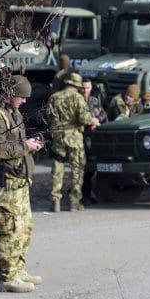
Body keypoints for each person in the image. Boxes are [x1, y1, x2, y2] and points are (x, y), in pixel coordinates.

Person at [0, 74, 45, 293]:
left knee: (24, 229)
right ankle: (7, 277)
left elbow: (15, 143)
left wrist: (29, 145)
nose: (24, 101)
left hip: (19, 180)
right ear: (8, 94)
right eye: (21, 97)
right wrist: (25, 146)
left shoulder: (12, 112)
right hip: (7, 182)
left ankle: (18, 270)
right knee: (10, 230)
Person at [47, 72, 100, 212]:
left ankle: (55, 201)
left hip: (59, 137)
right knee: (77, 169)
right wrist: (92, 119)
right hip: (74, 137)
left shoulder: (54, 97)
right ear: (76, 85)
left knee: (57, 168)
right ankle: (74, 202)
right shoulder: (78, 98)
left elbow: (49, 117)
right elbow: (83, 118)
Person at [81, 77, 108, 206]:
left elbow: (103, 114)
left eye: (87, 88)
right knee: (82, 169)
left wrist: (97, 119)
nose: (85, 91)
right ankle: (83, 196)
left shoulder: (94, 100)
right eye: (83, 88)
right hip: (79, 138)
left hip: (91, 138)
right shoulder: (76, 100)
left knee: (90, 169)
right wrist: (88, 121)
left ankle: (91, 194)